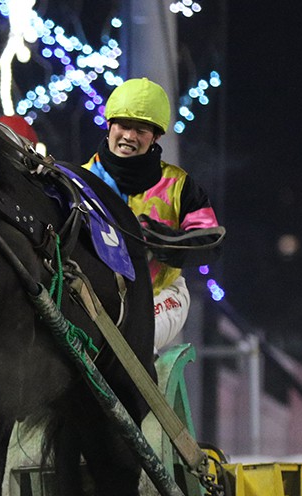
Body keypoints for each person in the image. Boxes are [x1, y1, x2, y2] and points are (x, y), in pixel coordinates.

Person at [82, 77, 224, 351]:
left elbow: (212, 243)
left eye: (141, 130)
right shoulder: (79, 181)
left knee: (128, 341)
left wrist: (170, 244)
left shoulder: (180, 186)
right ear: (109, 124)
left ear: (156, 136)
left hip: (160, 295)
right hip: (94, 299)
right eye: (123, 125)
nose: (129, 136)